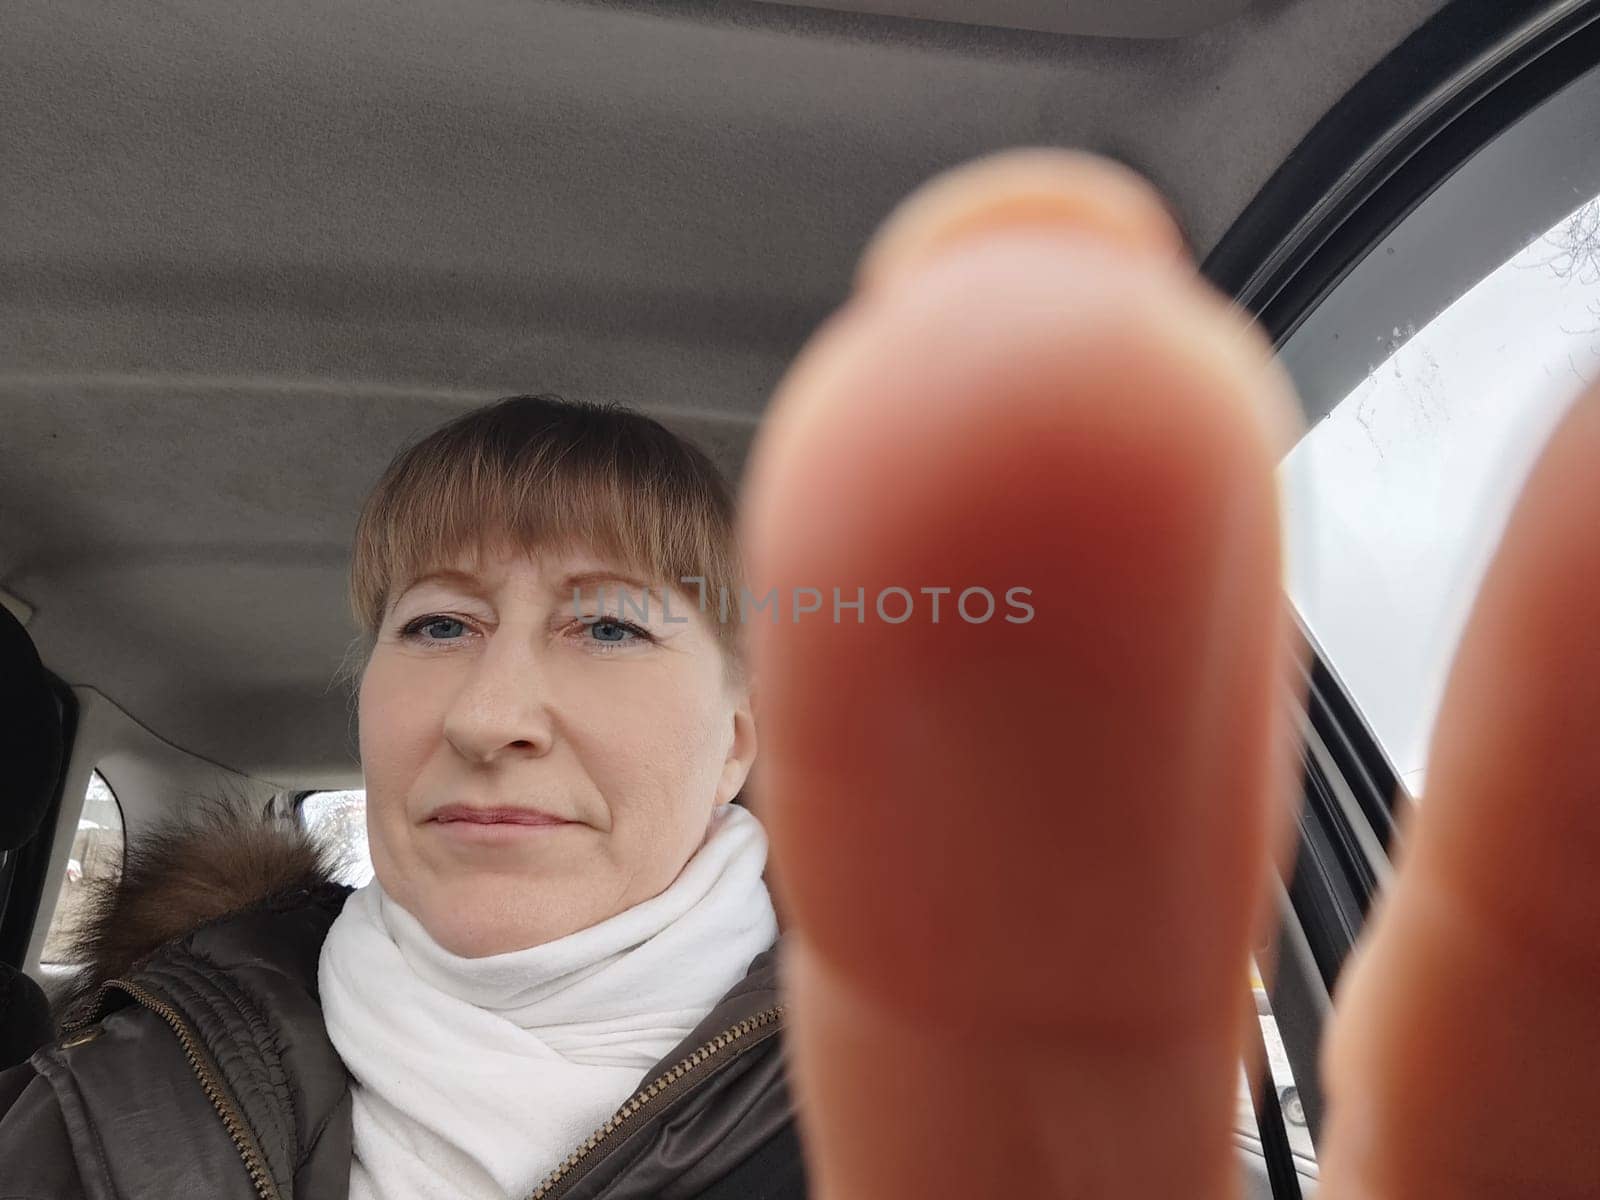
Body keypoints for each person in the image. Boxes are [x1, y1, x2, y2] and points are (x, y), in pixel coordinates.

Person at [2, 149, 1596, 1199]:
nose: (491, 717)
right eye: (436, 624)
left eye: (612, 624)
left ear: (744, 737)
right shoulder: (98, 1102)